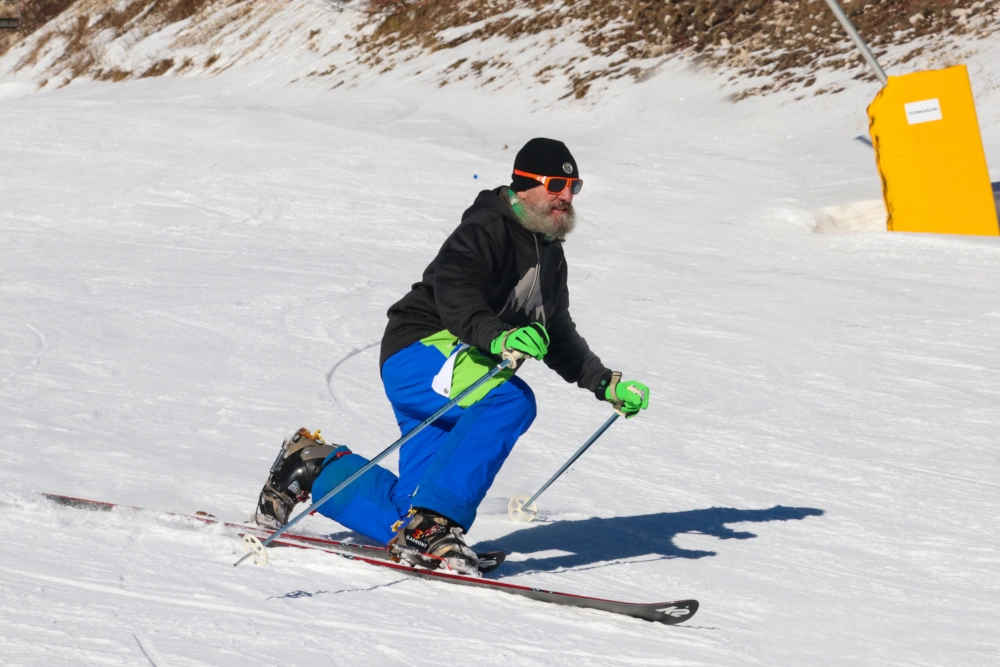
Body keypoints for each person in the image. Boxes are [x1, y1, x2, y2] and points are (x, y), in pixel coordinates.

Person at [252, 138, 650, 575]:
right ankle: (435, 525)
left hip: (458, 369)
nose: (566, 196)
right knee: (510, 400)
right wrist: (499, 338)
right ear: (524, 183)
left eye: (575, 186)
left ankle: (313, 466)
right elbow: (456, 295)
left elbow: (555, 331)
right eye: (557, 183)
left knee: (408, 510)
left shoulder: (550, 254)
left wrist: (604, 381)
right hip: (422, 349)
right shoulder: (483, 229)